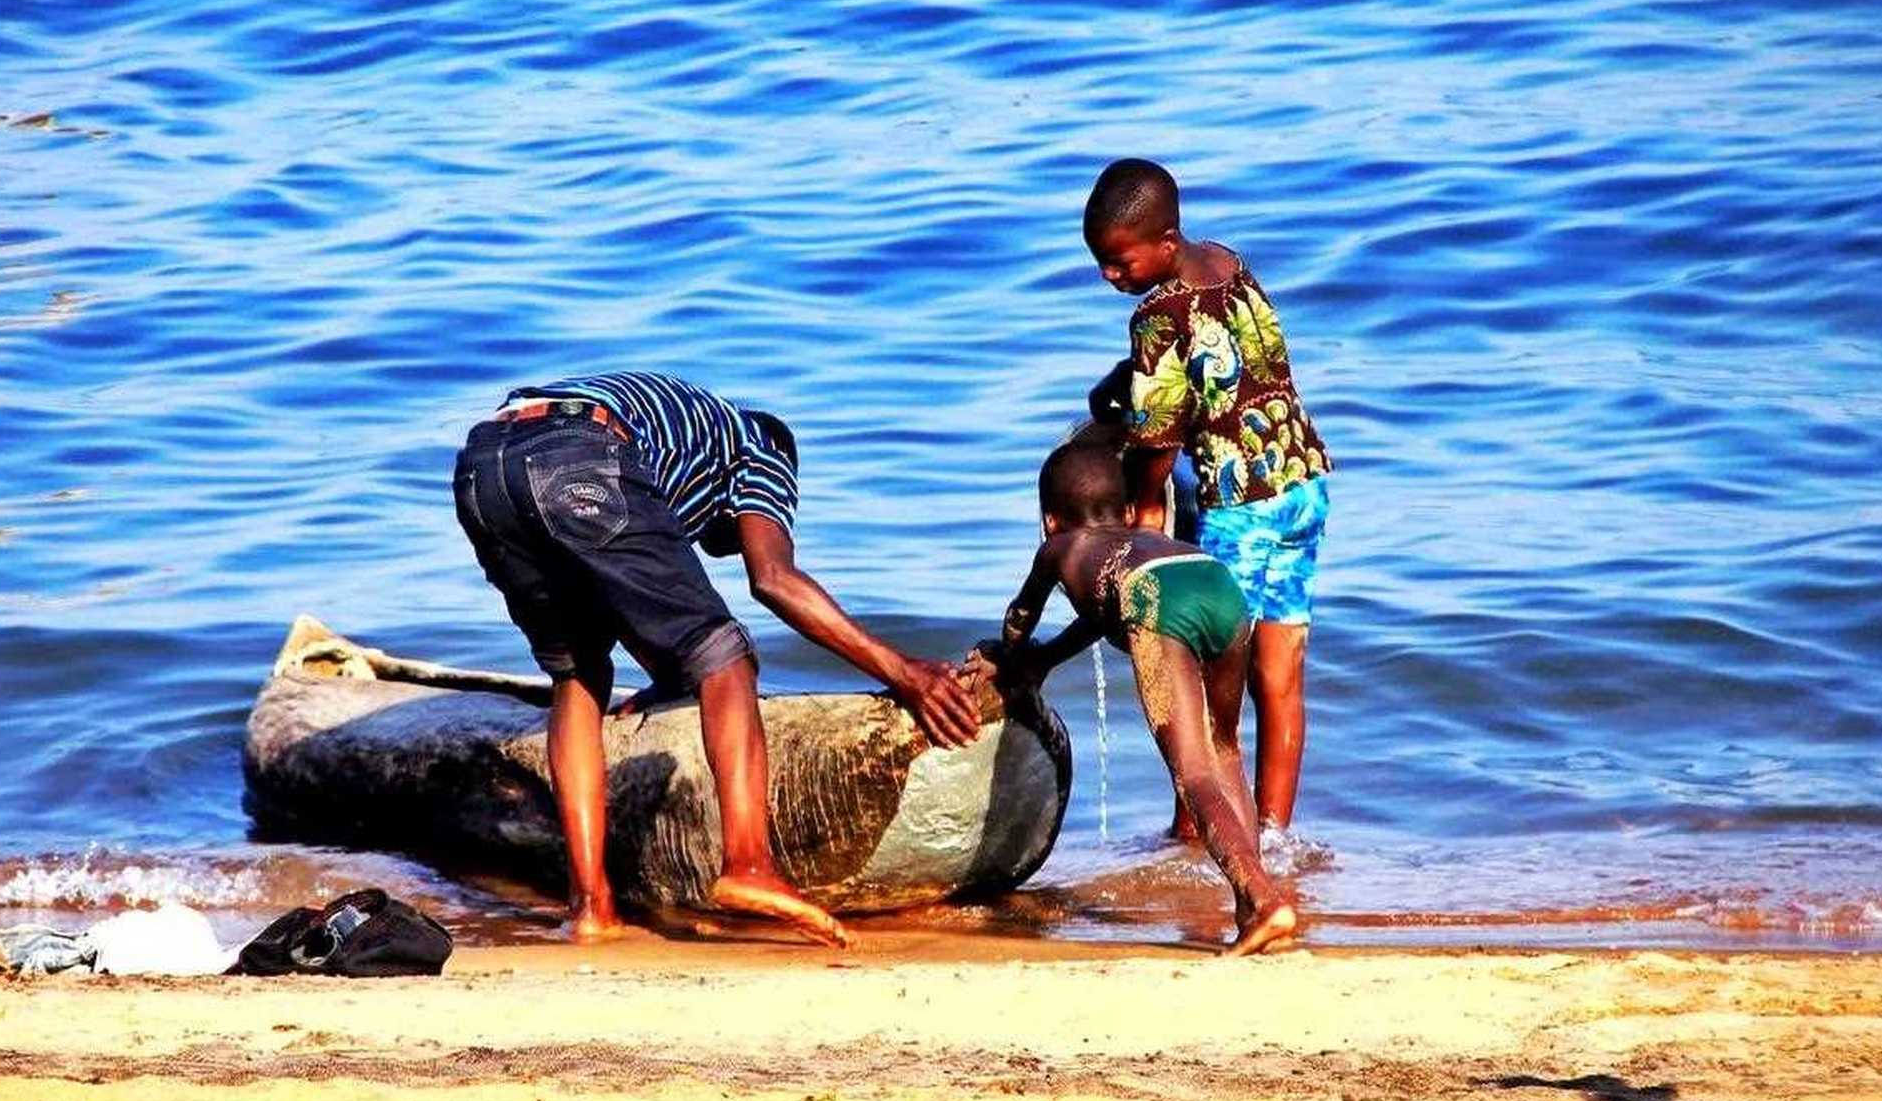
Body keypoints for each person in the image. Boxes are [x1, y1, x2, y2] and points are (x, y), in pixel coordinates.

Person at [453, 371, 982, 945]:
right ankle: (749, 865)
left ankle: (591, 905)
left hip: (484, 465)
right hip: (580, 449)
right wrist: (904, 672)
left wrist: (665, 685)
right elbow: (773, 579)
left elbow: (635, 600)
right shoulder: (761, 450)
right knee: (727, 654)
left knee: (579, 673)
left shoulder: (684, 446)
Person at [1083, 158, 1333, 838]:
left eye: (1118, 261)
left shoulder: (1155, 313)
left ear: (1165, 243)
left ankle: (1200, 834)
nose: (1110, 276)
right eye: (1101, 262)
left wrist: (1140, 516)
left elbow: (1159, 442)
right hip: (1302, 482)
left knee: (1207, 691)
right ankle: (1274, 837)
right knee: (1280, 675)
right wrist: (1125, 377)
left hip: (1238, 505)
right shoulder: (1225, 262)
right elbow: (1227, 353)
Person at [983, 439, 1296, 955]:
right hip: (1215, 583)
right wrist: (1050, 659)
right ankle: (1250, 909)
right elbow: (1102, 613)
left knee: (1193, 772)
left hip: (1154, 601)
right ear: (1128, 511)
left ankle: (1264, 899)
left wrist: (1012, 658)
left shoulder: (1058, 550)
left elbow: (1021, 617)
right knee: (1225, 750)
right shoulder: (1143, 542)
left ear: (1048, 521)